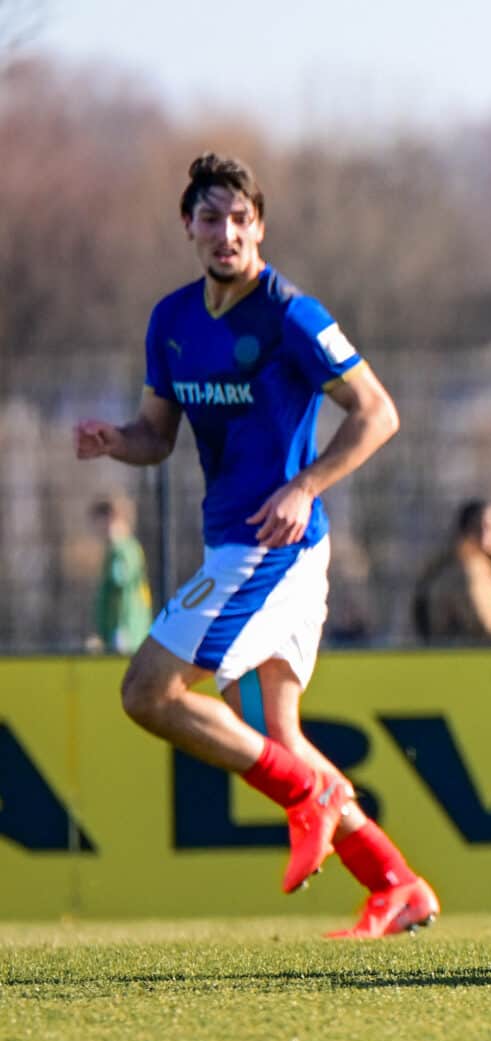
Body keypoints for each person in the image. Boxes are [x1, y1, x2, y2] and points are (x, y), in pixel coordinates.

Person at [73, 153, 437, 936]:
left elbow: (377, 412)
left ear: (261, 226)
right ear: (188, 228)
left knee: (147, 692)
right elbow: (155, 438)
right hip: (230, 547)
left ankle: (308, 794)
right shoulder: (171, 321)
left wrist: (306, 485)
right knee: (280, 738)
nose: (227, 232)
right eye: (211, 218)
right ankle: (396, 882)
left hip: (273, 548)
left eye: (241, 219)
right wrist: (115, 440)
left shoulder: (292, 314)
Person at [414, 498, 491, 643]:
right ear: (469, 529)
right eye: (485, 526)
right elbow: (486, 624)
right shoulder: (469, 569)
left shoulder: (470, 564)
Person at [89, 492, 153, 654]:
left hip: (125, 632)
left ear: (113, 519)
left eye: (100, 522)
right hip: (129, 631)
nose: (98, 529)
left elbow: (119, 585)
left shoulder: (121, 551)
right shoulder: (129, 548)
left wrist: (118, 631)